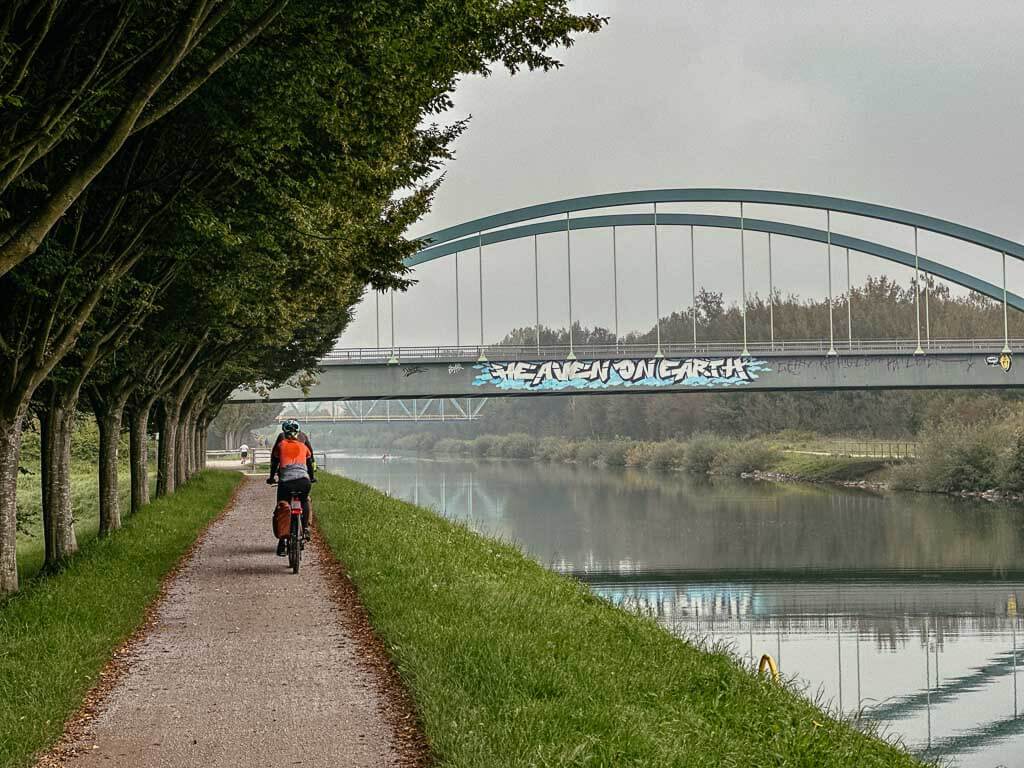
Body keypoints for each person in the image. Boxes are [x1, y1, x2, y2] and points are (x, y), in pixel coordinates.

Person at [267, 419, 316, 556]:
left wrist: (271, 478)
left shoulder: (280, 444)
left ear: (284, 432)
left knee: (282, 506)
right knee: (304, 500)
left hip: (286, 483)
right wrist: (311, 477)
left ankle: (282, 543)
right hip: (303, 481)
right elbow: (310, 463)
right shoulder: (303, 446)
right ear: (298, 433)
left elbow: (274, 462)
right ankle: (305, 528)